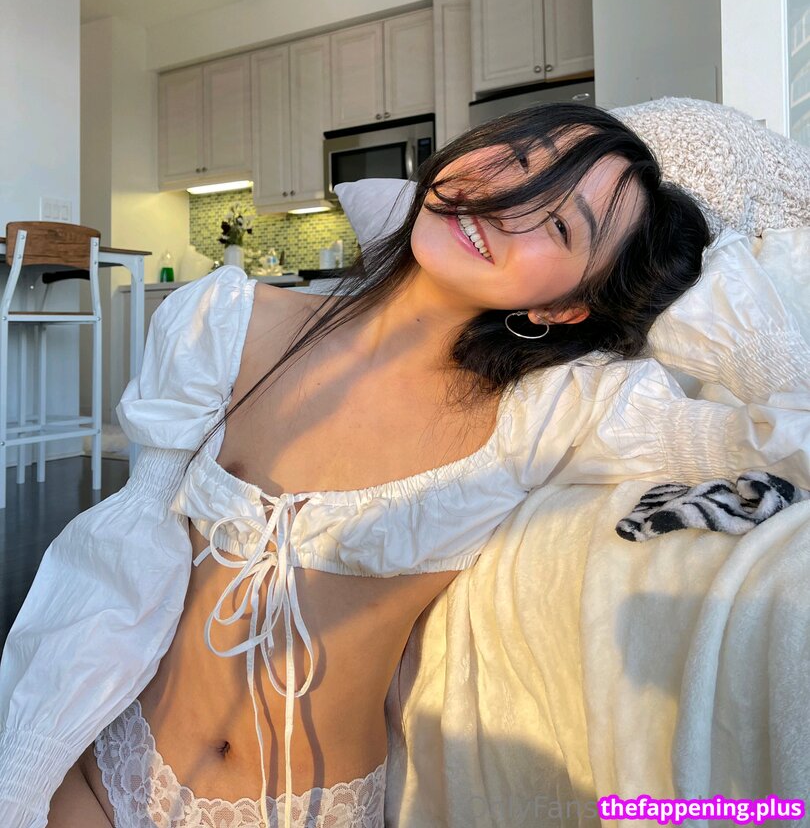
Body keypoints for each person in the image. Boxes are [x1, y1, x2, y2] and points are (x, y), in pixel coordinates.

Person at [0, 103, 805, 828]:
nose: (507, 200)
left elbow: (783, 431)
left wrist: (715, 265)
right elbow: (117, 563)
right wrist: (31, 778)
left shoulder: (551, 412)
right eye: (519, 159)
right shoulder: (225, 321)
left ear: (563, 307)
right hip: (107, 776)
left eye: (561, 226)